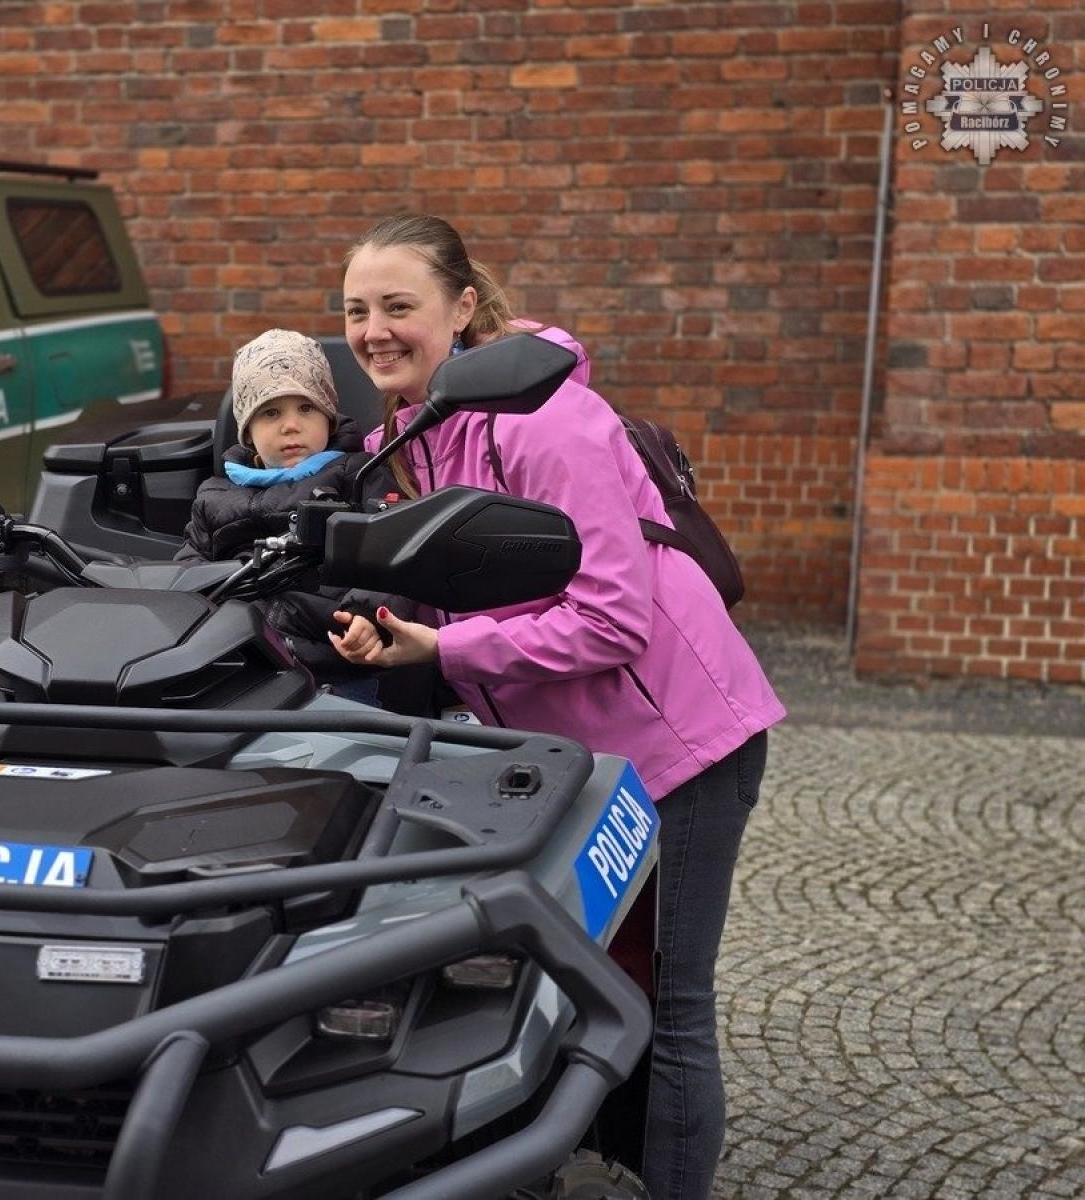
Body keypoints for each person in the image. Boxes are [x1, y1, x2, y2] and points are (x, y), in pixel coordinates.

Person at [329, 214, 786, 1200]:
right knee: (584, 990)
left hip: (677, 746)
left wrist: (446, 647)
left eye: (399, 305)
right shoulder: (402, 440)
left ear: (463, 307)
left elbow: (611, 621)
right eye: (356, 310)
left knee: (666, 1007)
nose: (373, 330)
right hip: (563, 759)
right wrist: (385, 628)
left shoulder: (547, 422)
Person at [175, 327, 397, 698]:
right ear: (248, 432)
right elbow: (187, 573)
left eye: (306, 408)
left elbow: (388, 557)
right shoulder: (215, 495)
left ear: (329, 417)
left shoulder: (360, 476)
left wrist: (367, 615)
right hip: (239, 660)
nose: (291, 425)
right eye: (270, 412)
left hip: (335, 659)